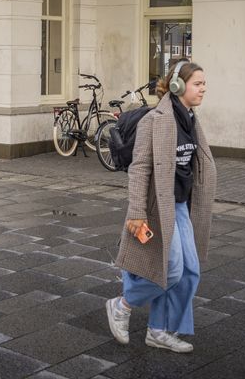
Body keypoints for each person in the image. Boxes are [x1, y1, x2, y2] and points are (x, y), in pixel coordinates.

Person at [105, 58, 217, 353]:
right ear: (178, 86)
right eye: (198, 83)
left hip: (180, 205)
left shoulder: (191, 121)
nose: (203, 89)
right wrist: (136, 212)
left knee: (190, 271)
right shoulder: (154, 121)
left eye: (204, 83)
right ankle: (122, 305)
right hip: (158, 207)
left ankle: (158, 330)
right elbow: (140, 168)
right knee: (172, 270)